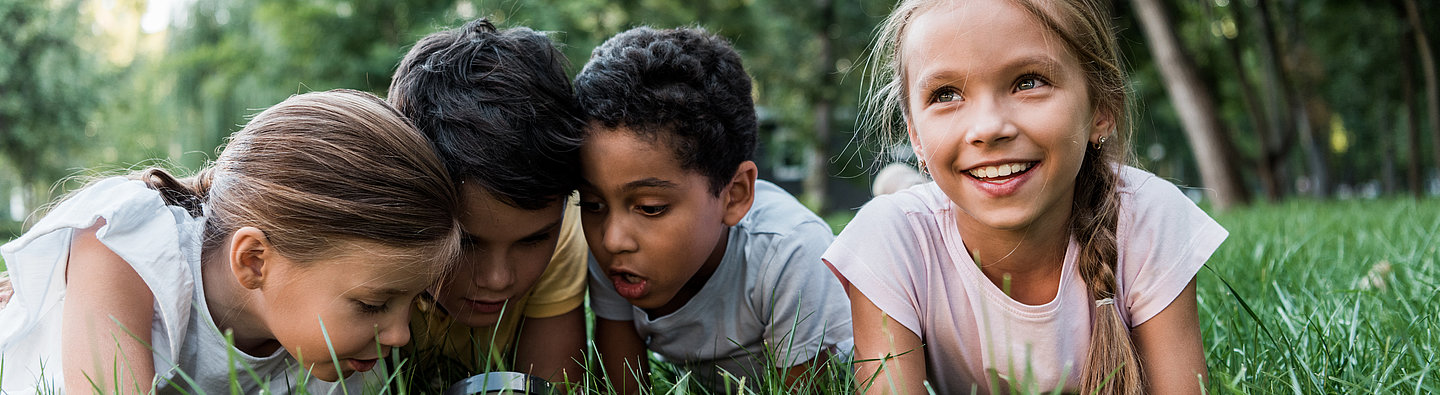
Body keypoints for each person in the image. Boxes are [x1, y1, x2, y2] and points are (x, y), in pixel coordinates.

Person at [822, 0, 1229, 394]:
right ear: (915, 136)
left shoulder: (1147, 216)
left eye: (1029, 82)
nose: (988, 128)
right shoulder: (890, 240)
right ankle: (908, 188)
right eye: (946, 94)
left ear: (1101, 108)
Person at [0, 89, 463, 394]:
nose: (400, 336)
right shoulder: (125, 246)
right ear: (255, 260)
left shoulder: (334, 358)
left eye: (412, 302)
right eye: (372, 304)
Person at [574, 26, 852, 393]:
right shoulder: (616, 250)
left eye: (650, 208)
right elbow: (623, 386)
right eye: (593, 204)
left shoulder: (791, 253)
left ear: (734, 195)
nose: (612, 239)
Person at [384, 18, 588, 388]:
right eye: (466, 242)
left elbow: (549, 383)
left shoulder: (564, 233)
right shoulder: (357, 246)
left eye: (532, 240)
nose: (498, 279)